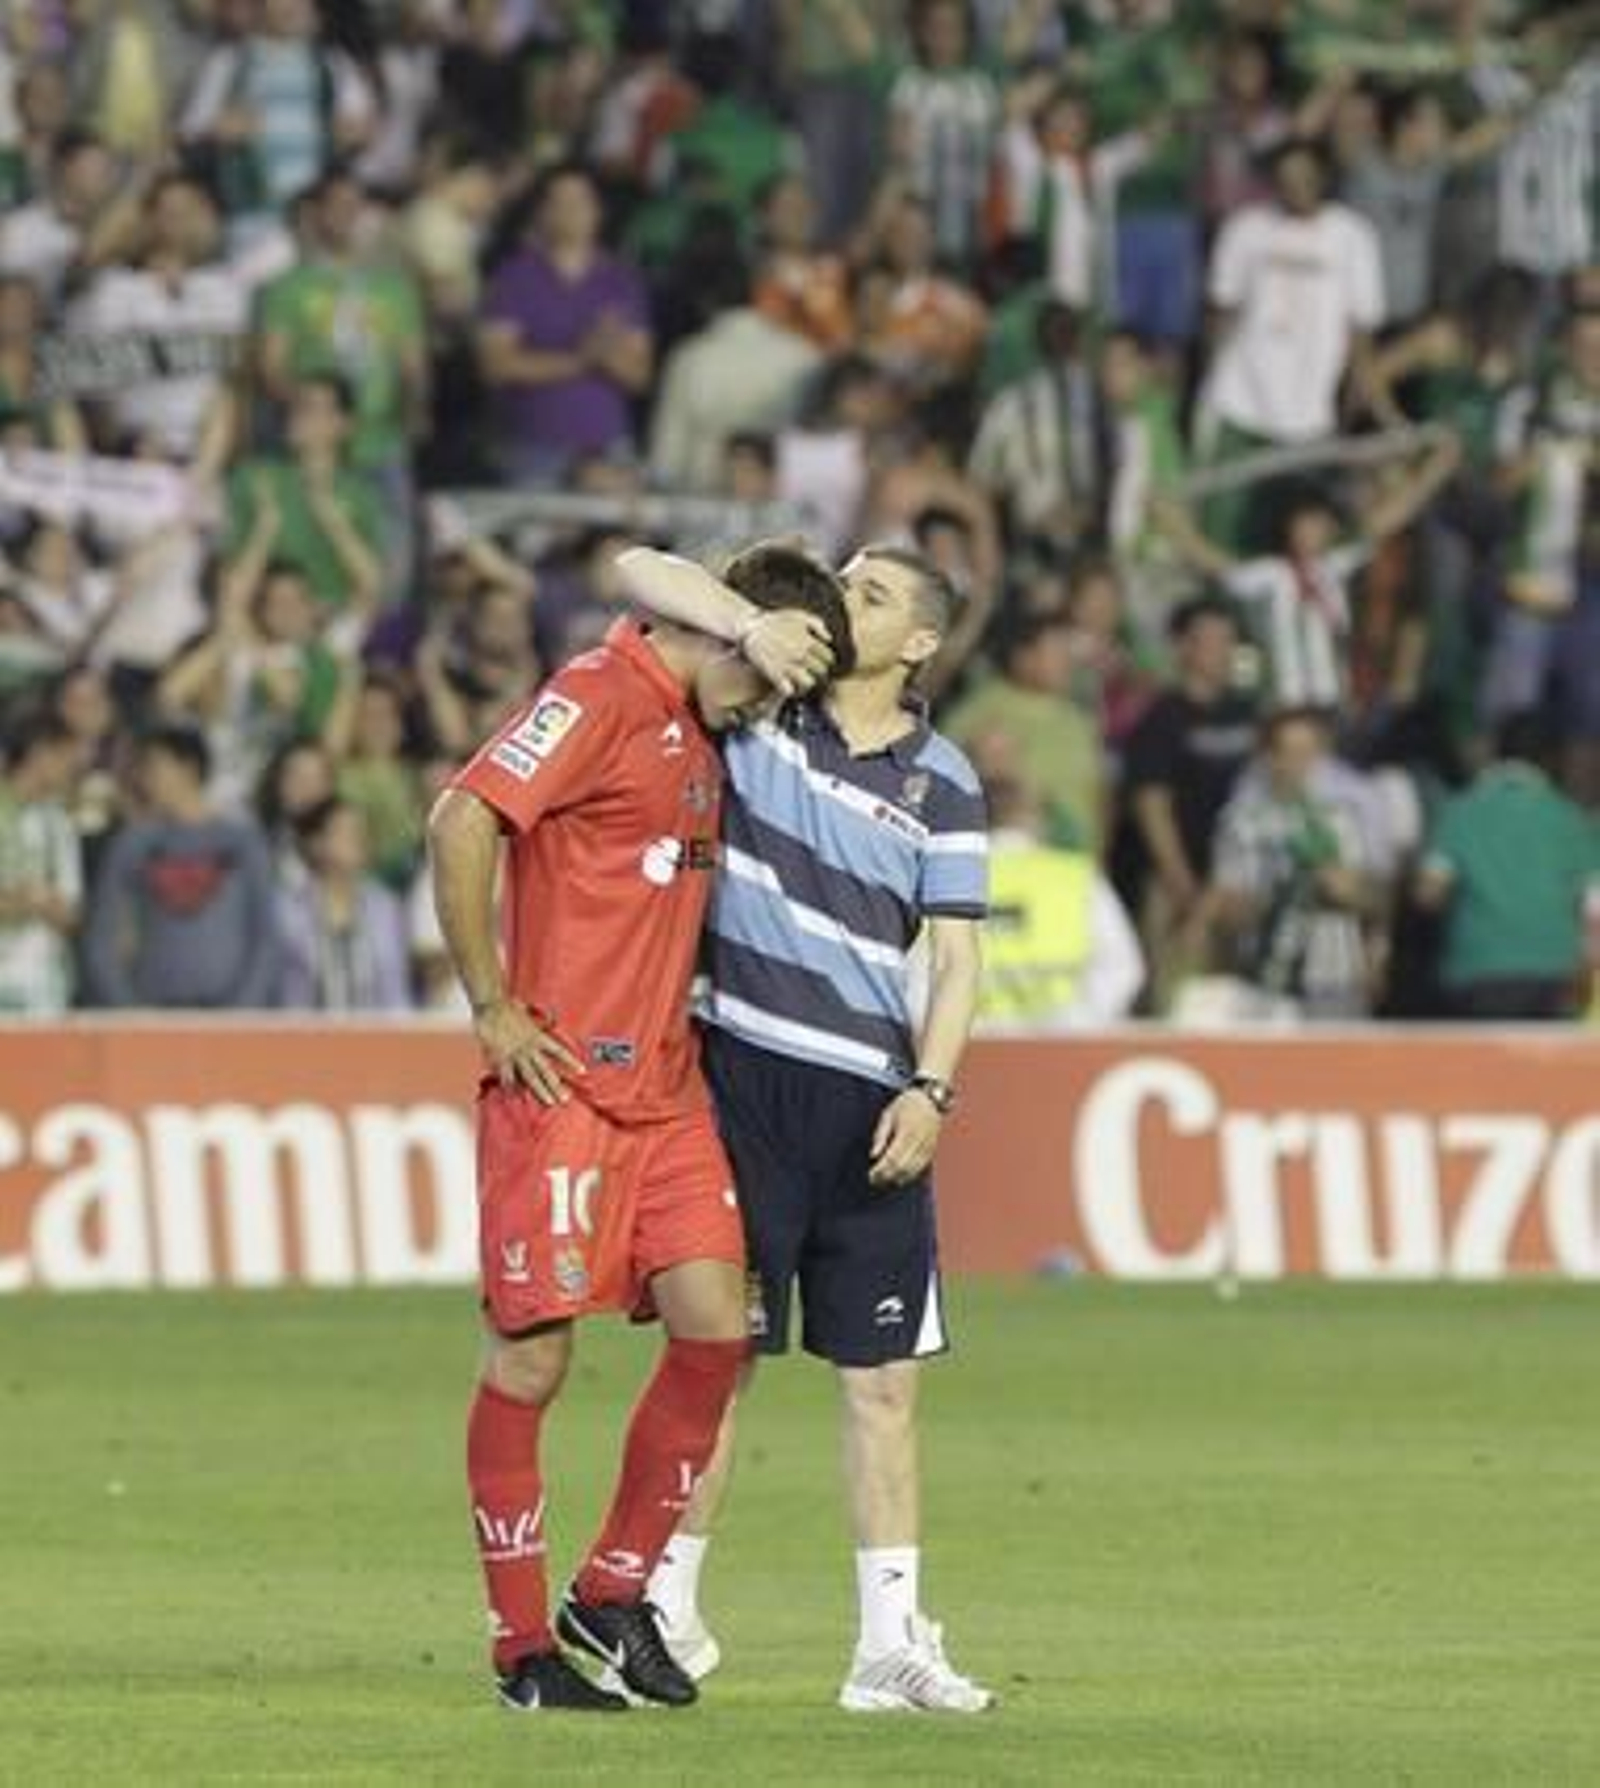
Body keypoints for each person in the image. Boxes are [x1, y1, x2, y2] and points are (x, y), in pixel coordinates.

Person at [425, 563, 839, 1713]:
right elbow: (460, 819)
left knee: (717, 1335)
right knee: (534, 1359)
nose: (762, 709)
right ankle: (520, 1650)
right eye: (763, 679)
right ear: (726, 633)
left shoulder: (699, 728)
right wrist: (491, 1003)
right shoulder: (598, 694)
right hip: (558, 1089)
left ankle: (610, 1592)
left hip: (666, 1096)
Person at [617, 539, 994, 1713]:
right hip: (741, 1086)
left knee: (882, 1384)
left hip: (873, 1101)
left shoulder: (945, 778)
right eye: (840, 577)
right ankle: (665, 1604)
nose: (842, 598)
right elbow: (636, 569)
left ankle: (887, 1646)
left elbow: (958, 954)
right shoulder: (759, 710)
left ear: (920, 642)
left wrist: (931, 1091)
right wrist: (749, 619)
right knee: (716, 1362)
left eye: (872, 593)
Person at [1414, 710, 1600, 1020]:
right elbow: (1594, 908)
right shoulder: (1571, 819)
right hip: (1555, 972)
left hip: (1477, 971)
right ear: (1552, 759)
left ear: (1495, 753)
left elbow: (1428, 893)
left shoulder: (1460, 812)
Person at [82, 723, 281, 1008]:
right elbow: (102, 938)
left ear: (188, 768)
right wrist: (130, 1011)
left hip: (229, 1018)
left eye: (154, 766)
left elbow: (265, 936)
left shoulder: (243, 841)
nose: (144, 778)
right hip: (155, 1015)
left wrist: (242, 1010)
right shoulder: (132, 844)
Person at [0, 710, 82, 1015]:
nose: (73, 767)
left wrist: (43, 903)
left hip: (42, 986)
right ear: (39, 752)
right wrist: (22, 901)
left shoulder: (58, 822)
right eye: (65, 756)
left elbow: (71, 913)